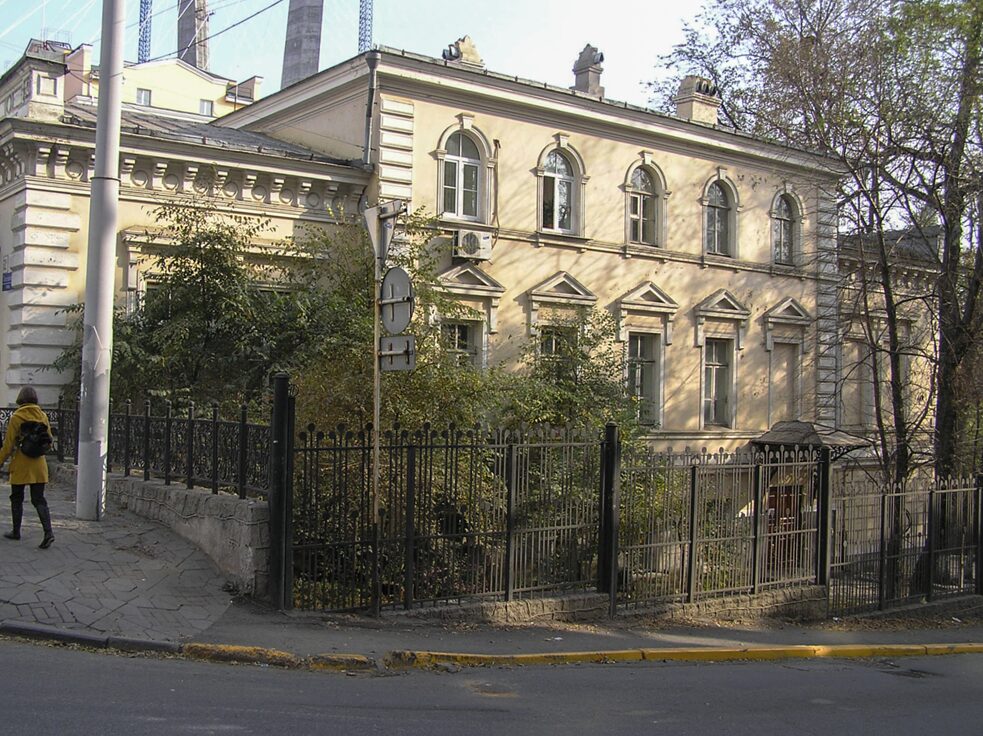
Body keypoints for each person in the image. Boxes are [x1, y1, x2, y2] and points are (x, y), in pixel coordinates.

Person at [0, 386, 54, 549]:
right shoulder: (43, 416)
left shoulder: (17, 417)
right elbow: (49, 440)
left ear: (20, 399)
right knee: (39, 499)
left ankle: (16, 531)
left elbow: (8, 445)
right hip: (39, 464)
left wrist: (1, 460)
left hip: (21, 463)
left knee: (17, 497)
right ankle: (48, 532)